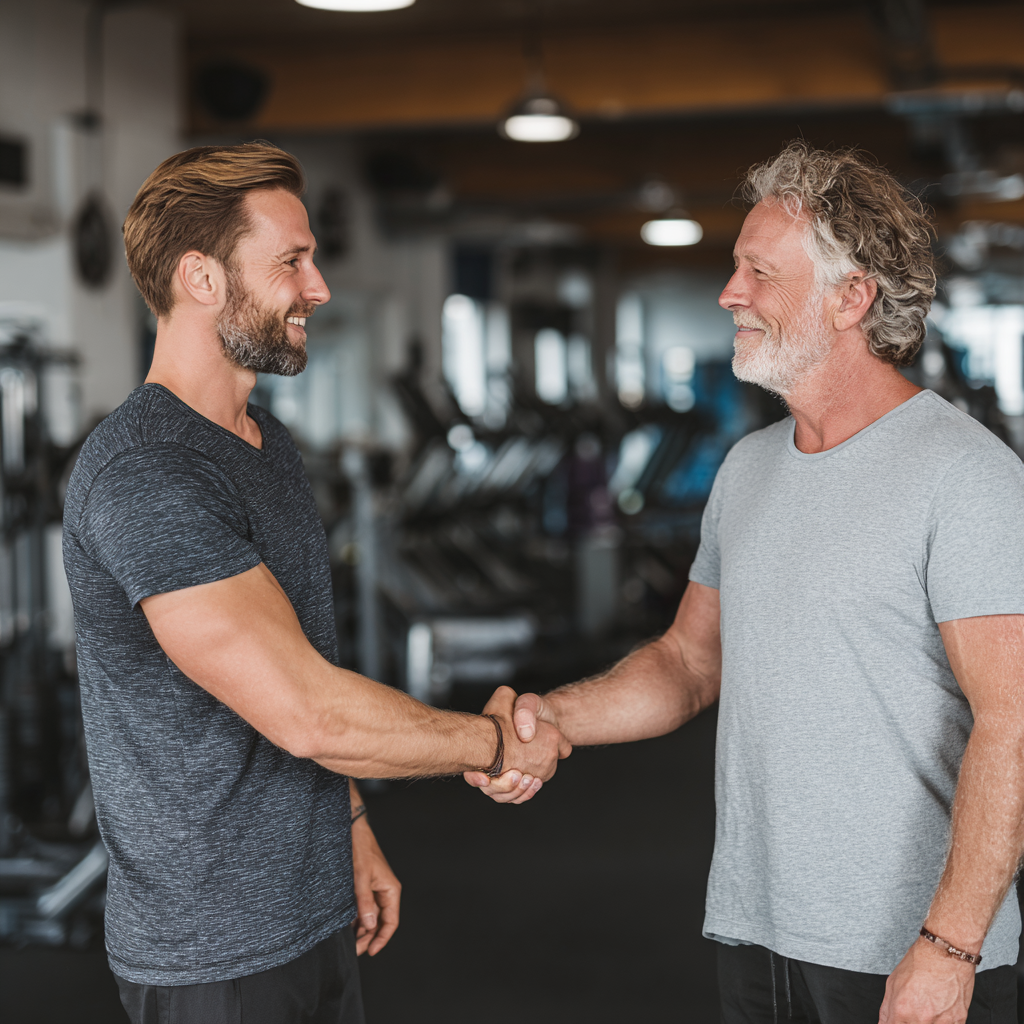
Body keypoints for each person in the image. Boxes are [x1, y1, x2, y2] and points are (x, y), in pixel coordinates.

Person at [468, 141, 1024, 1024]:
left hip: (908, 953)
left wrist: (950, 946)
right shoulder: (748, 468)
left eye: (759, 272)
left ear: (852, 297)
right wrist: (551, 719)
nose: (731, 293)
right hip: (758, 931)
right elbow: (689, 663)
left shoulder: (966, 477)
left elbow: (1013, 722)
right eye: (736, 268)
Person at [62, 142, 569, 1024]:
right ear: (201, 277)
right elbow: (310, 713)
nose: (319, 287)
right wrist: (493, 745)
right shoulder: (147, 473)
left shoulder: (268, 445)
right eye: (292, 262)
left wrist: (350, 825)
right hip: (213, 949)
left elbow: (302, 666)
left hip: (310, 911)